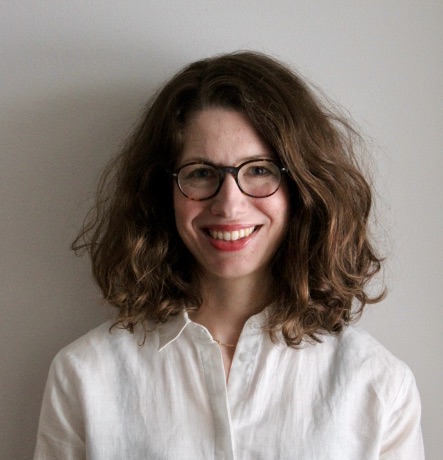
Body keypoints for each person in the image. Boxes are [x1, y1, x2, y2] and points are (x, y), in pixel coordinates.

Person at [34, 51, 424, 459]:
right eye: (201, 173)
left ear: (303, 188)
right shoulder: (84, 378)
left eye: (259, 170)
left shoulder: (377, 386)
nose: (229, 205)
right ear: (163, 193)